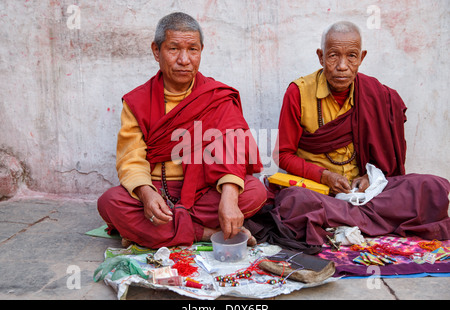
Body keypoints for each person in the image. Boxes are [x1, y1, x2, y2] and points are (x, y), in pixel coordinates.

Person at [257, 21, 449, 251]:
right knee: (293, 202)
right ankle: (369, 221)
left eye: (351, 56)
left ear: (362, 57)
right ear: (320, 57)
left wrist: (370, 178)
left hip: (362, 193)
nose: (342, 66)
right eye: (333, 56)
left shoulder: (376, 94)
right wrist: (325, 176)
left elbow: (383, 155)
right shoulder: (298, 92)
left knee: (431, 186)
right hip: (318, 192)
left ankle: (340, 222)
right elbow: (283, 155)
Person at [97, 12, 267, 249]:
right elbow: (130, 159)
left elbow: (233, 155)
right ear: (156, 51)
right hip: (158, 189)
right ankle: (207, 233)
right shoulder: (137, 102)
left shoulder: (216, 97)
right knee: (110, 202)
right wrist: (147, 195)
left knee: (254, 192)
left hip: (204, 191)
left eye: (193, 50)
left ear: (201, 51)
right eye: (174, 49)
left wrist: (228, 200)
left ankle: (150, 232)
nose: (184, 59)